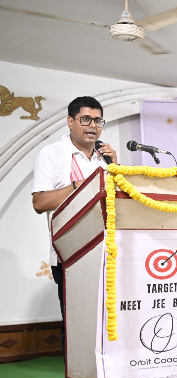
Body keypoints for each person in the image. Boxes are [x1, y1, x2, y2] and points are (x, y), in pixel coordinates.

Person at [32, 96, 118, 357]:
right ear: (70, 122)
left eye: (98, 121)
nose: (93, 126)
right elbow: (39, 202)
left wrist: (117, 167)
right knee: (77, 325)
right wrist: (78, 187)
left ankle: (108, 373)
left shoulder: (105, 159)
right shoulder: (52, 154)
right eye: (86, 119)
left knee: (110, 319)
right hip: (72, 255)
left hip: (108, 254)